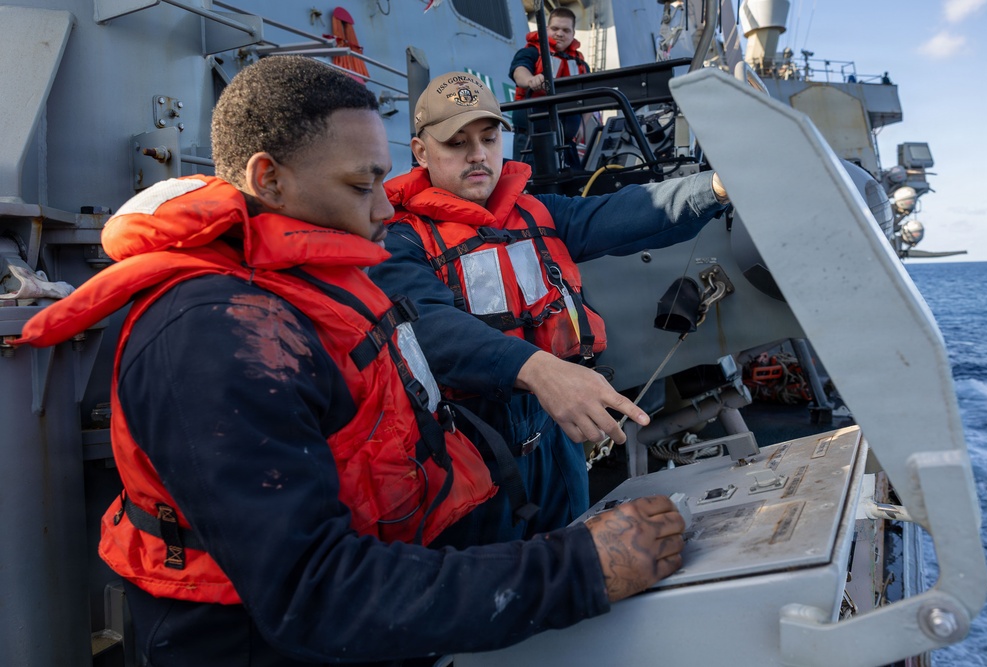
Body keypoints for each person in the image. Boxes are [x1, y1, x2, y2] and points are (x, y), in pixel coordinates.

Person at [15, 56, 687, 667]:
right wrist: (575, 569)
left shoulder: (309, 280)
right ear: (269, 180)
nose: (386, 206)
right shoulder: (214, 337)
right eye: (363, 183)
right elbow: (314, 590)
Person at [370, 72, 729, 549]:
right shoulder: (399, 241)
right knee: (497, 578)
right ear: (420, 151)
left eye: (489, 138)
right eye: (456, 143)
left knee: (574, 554)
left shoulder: (537, 213)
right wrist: (540, 371)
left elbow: (625, 212)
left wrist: (716, 187)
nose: (477, 155)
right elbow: (431, 329)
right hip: (472, 452)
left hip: (552, 439)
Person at [509, 7, 591, 169]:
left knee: (576, 181)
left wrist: (583, 125)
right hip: (531, 141)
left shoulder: (581, 64)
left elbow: (589, 96)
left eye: (566, 30)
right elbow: (519, 71)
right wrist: (531, 80)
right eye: (555, 28)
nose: (560, 34)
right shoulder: (531, 52)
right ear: (546, 29)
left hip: (567, 145)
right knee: (530, 180)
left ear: (573, 34)